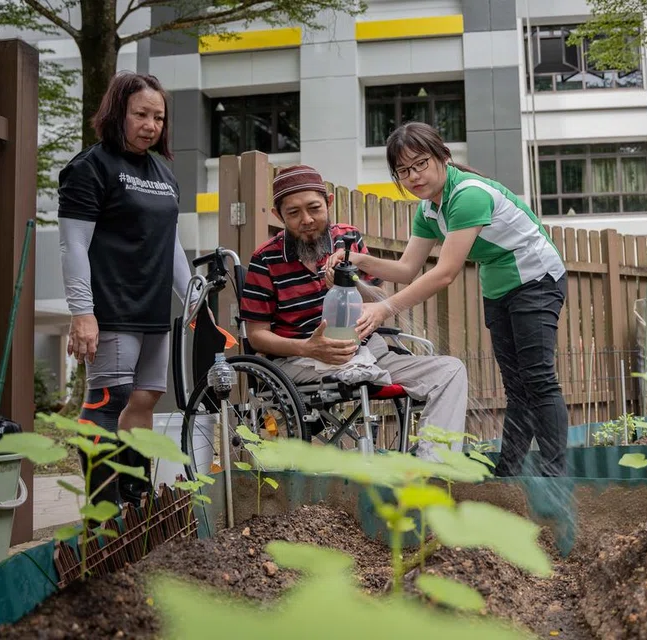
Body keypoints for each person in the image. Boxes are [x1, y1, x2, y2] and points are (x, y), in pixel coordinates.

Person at [325, 122, 569, 477]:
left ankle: (554, 477)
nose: (413, 176)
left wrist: (385, 308)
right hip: (499, 286)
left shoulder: (468, 195)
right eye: (403, 171)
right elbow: (407, 269)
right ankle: (508, 473)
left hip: (537, 278)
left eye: (420, 163)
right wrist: (360, 260)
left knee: (538, 378)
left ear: (443, 157)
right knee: (516, 386)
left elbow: (445, 272)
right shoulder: (429, 210)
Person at [238, 164, 467, 460]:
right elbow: (256, 337)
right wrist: (309, 348)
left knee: (449, 371)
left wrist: (351, 284)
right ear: (277, 215)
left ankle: (435, 471)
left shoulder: (348, 240)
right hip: (297, 360)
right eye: (293, 213)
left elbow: (378, 298)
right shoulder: (265, 259)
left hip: (367, 353)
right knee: (360, 371)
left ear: (329, 203)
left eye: (314, 208)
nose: (307, 220)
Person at [58, 72, 197, 505]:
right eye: (141, 114)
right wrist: (83, 312)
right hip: (112, 306)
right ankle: (103, 508)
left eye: (158, 117)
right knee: (109, 399)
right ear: (118, 112)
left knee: (145, 399)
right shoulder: (90, 168)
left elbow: (171, 245)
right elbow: (73, 244)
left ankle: (134, 499)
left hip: (154, 310)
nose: (151, 125)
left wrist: (194, 300)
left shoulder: (163, 172)